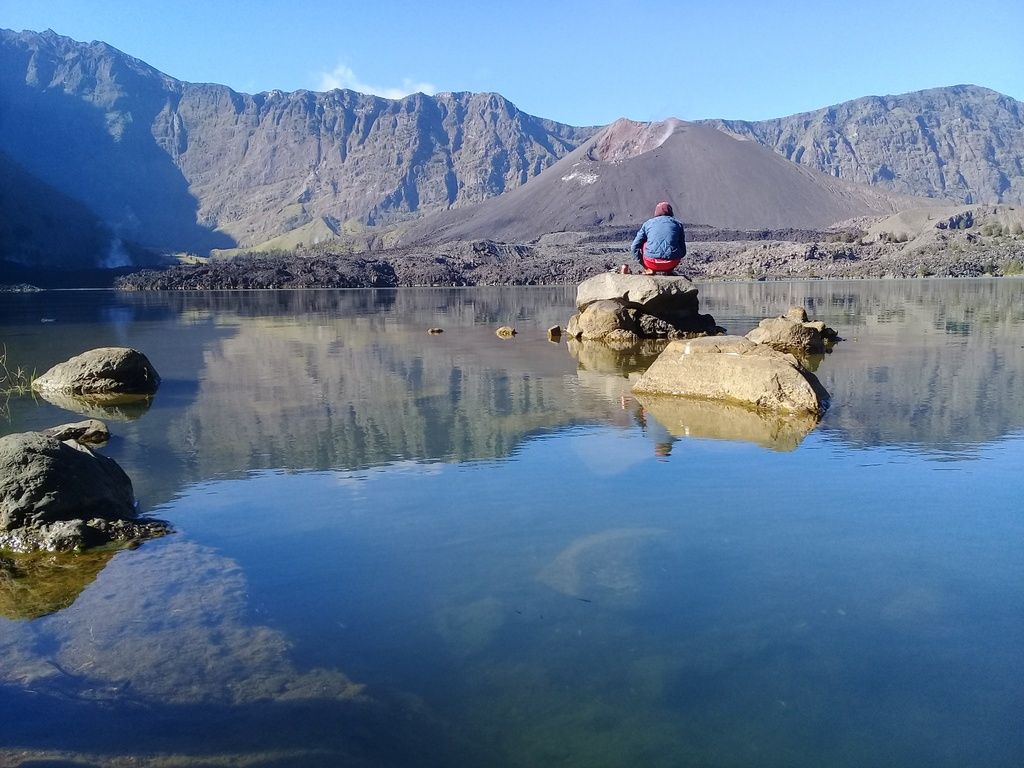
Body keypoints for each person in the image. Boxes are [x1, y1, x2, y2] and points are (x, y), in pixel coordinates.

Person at [629, 201, 686, 275]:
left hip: (651, 263)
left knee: (645, 243)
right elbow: (683, 250)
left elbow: (634, 247)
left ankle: (650, 269)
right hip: (671, 263)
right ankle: (669, 271)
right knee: (675, 243)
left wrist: (644, 265)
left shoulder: (648, 224)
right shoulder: (678, 224)